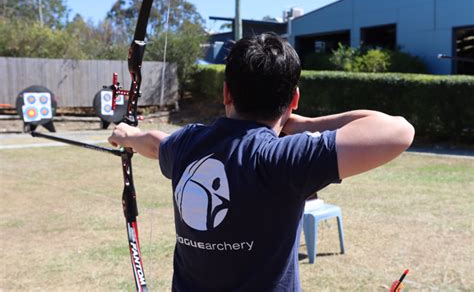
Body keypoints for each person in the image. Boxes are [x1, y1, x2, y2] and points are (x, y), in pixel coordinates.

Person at [108, 32, 415, 291]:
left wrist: (125, 135)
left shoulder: (188, 143)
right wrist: (305, 124)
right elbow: (399, 130)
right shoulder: (283, 159)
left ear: (226, 92)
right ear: (294, 100)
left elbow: (152, 142)